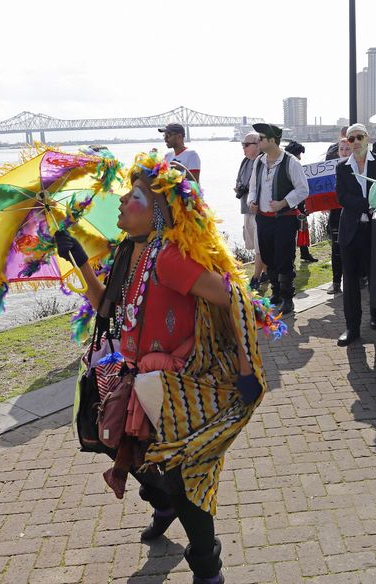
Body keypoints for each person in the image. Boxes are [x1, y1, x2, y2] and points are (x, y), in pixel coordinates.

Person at [55, 151, 271, 584]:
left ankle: (208, 566)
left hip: (179, 388)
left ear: (157, 211)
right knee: (124, 451)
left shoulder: (169, 258)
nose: (119, 203)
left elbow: (237, 299)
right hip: (140, 383)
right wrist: (78, 258)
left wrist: (247, 371)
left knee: (187, 481)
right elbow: (105, 306)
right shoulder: (128, 253)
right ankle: (163, 504)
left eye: (130, 197)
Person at [335, 123, 376, 346]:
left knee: (375, 274)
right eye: (351, 139)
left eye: (359, 137)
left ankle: (375, 314)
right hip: (350, 230)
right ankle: (352, 327)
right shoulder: (342, 167)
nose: (355, 142)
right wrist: (367, 204)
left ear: (367, 138)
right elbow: (342, 197)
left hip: (375, 230)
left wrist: (374, 205)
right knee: (350, 280)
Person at [247, 123, 309, 314]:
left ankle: (288, 297)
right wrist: (252, 201)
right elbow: (253, 187)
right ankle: (276, 292)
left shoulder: (291, 162)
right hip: (263, 218)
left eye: (262, 138)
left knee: (284, 257)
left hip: (284, 218)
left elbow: (303, 190)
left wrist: (284, 202)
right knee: (267, 255)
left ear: (272, 140)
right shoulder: (259, 161)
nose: (258, 141)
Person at [235, 132, 266, 289]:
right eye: (243, 144)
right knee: (253, 244)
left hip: (259, 210)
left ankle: (256, 277)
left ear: (258, 145)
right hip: (246, 208)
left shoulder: (263, 162)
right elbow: (240, 180)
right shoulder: (245, 161)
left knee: (259, 245)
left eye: (246, 145)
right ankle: (266, 272)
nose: (243, 147)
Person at [284, 140, 318, 263]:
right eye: (299, 154)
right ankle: (292, 258)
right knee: (292, 233)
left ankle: (304, 253)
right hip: (292, 206)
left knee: (303, 229)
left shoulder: (294, 165)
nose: (300, 157)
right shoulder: (289, 167)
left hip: (299, 205)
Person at [325, 138, 351, 294]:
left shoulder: (358, 167)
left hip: (352, 213)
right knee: (336, 248)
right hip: (335, 214)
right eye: (342, 149)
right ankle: (336, 282)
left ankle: (357, 277)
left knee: (353, 247)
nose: (344, 152)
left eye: (347, 149)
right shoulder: (331, 168)